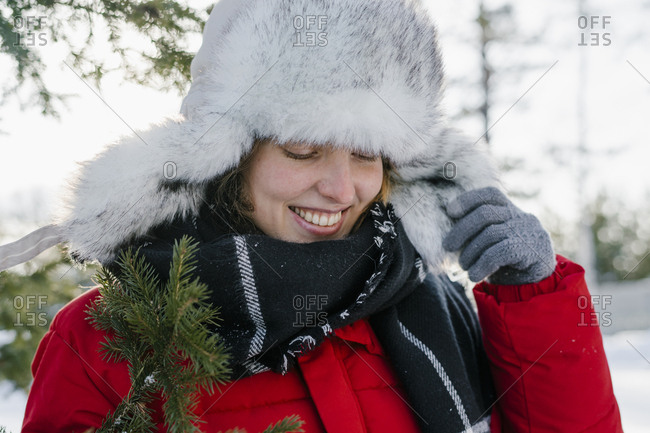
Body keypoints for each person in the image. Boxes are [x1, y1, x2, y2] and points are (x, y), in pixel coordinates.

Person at [9, 0, 622, 432]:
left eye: (366, 155)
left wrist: (533, 298)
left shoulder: (434, 301)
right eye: (303, 150)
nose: (340, 187)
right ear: (229, 158)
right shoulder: (107, 334)